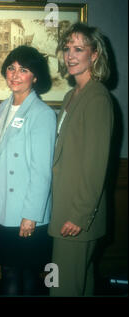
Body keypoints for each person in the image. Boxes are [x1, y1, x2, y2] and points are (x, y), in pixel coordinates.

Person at [49, 23, 113, 296]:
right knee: (79, 286)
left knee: (63, 288)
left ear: (95, 54)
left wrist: (80, 214)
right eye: (67, 49)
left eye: (79, 49)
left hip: (76, 216)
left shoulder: (97, 98)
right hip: (65, 209)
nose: (71, 55)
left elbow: (95, 164)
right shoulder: (70, 95)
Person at [0, 45, 56, 295]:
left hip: (27, 213)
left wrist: (31, 214)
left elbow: (42, 171)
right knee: (8, 270)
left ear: (35, 77)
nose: (14, 75)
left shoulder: (42, 114)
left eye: (23, 70)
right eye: (11, 68)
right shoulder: (2, 108)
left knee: (27, 274)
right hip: (4, 208)